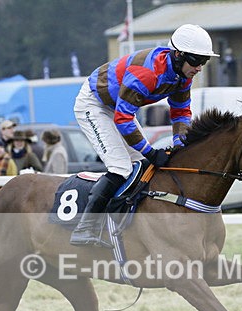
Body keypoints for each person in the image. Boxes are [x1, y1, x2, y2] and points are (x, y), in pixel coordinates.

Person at [70, 23, 217, 247]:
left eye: (203, 62)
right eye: (196, 60)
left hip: (119, 106)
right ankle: (85, 227)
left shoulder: (183, 76)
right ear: (178, 55)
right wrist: (150, 152)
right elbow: (122, 119)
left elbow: (180, 112)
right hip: (95, 104)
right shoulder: (147, 74)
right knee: (120, 167)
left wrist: (180, 143)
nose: (199, 68)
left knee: (141, 167)